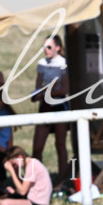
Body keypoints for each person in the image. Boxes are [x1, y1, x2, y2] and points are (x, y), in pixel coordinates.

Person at [31, 35, 71, 188]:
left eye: (49, 47)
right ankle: (38, 180)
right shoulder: (42, 63)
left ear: (57, 48)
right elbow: (38, 85)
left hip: (59, 105)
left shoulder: (62, 63)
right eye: (44, 47)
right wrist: (38, 94)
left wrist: (46, 92)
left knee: (60, 144)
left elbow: (65, 89)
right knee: (37, 147)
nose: (46, 50)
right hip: (45, 106)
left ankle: (61, 181)